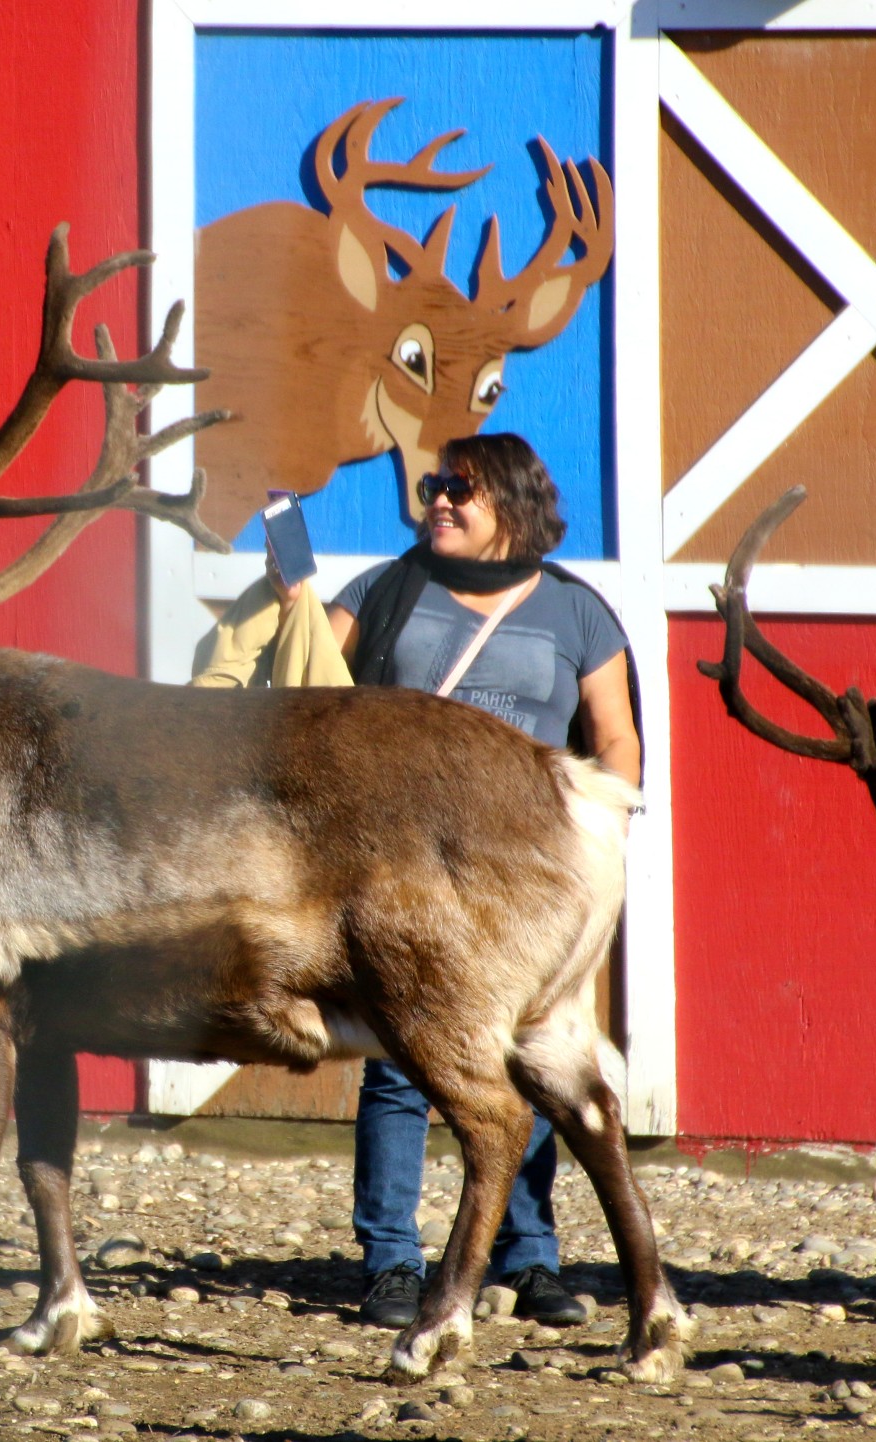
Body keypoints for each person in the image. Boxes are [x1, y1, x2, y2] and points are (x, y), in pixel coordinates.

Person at [327, 432, 639, 1330]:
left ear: (511, 502)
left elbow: (613, 735)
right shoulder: (386, 589)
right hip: (399, 861)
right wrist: (287, 603)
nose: (439, 501)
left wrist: (606, 823)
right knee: (397, 1062)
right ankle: (391, 1262)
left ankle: (529, 1258)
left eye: (460, 488)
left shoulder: (577, 612)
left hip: (515, 872)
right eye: (433, 486)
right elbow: (309, 677)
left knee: (530, 1055)